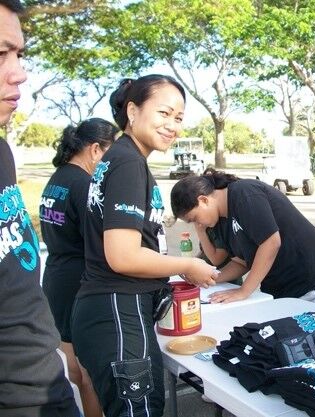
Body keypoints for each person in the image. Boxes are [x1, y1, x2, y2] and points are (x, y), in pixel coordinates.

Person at [71, 75, 217, 417]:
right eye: (163, 113)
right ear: (133, 111)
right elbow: (122, 256)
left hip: (110, 308)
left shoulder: (122, 158)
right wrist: (187, 265)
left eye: (178, 118)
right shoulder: (128, 162)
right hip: (119, 309)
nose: (172, 125)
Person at [0, 1, 79, 416]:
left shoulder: (3, 155)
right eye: (1, 54)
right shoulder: (82, 182)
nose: (20, 73)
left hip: (45, 380)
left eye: (19, 54)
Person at [170, 170, 315, 308]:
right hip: (280, 287)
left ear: (203, 200)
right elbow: (241, 262)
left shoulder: (244, 193)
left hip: (312, 279)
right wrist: (210, 278)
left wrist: (244, 291)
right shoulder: (222, 221)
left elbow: (271, 243)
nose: (198, 224)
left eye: (194, 219)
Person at [39, 118, 118, 417]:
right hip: (78, 284)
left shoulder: (57, 178)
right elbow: (102, 244)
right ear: (95, 149)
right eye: (110, 154)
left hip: (56, 278)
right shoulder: (84, 185)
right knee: (88, 375)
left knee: (75, 370)